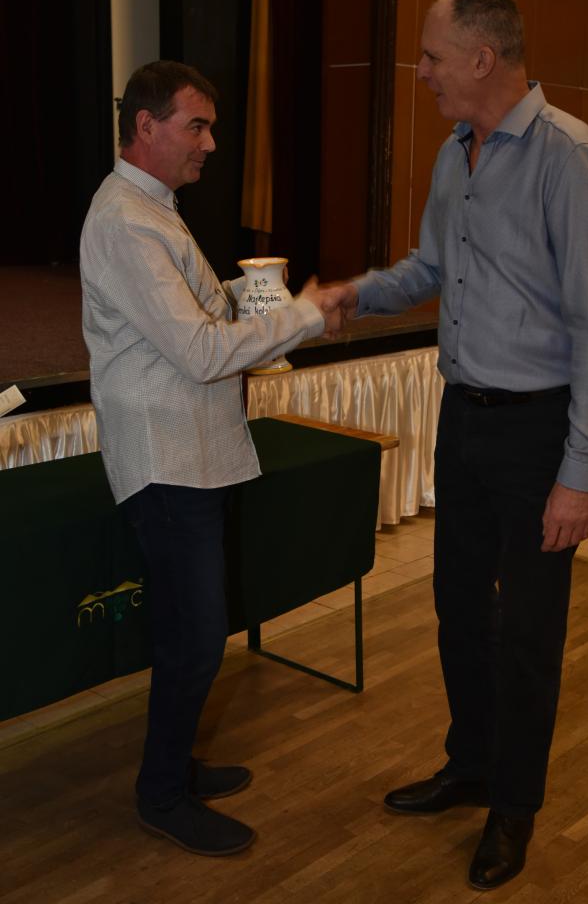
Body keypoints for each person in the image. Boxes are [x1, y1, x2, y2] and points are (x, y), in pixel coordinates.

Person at [330, 0, 588, 890]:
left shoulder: (569, 157)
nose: (420, 72)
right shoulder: (454, 152)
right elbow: (430, 265)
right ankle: (471, 765)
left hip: (537, 433)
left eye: (430, 57)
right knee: (458, 607)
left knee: (527, 633)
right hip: (462, 418)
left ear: (480, 58)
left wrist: (580, 475)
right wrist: (355, 295)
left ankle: (514, 805)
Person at [80, 60, 343, 857]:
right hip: (167, 458)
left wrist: (247, 293)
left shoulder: (150, 207)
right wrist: (299, 317)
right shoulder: (127, 219)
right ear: (145, 126)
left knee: (194, 630)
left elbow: (184, 315)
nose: (211, 144)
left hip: (191, 451)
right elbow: (197, 352)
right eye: (196, 126)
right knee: (192, 638)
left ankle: (175, 770)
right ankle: (161, 794)